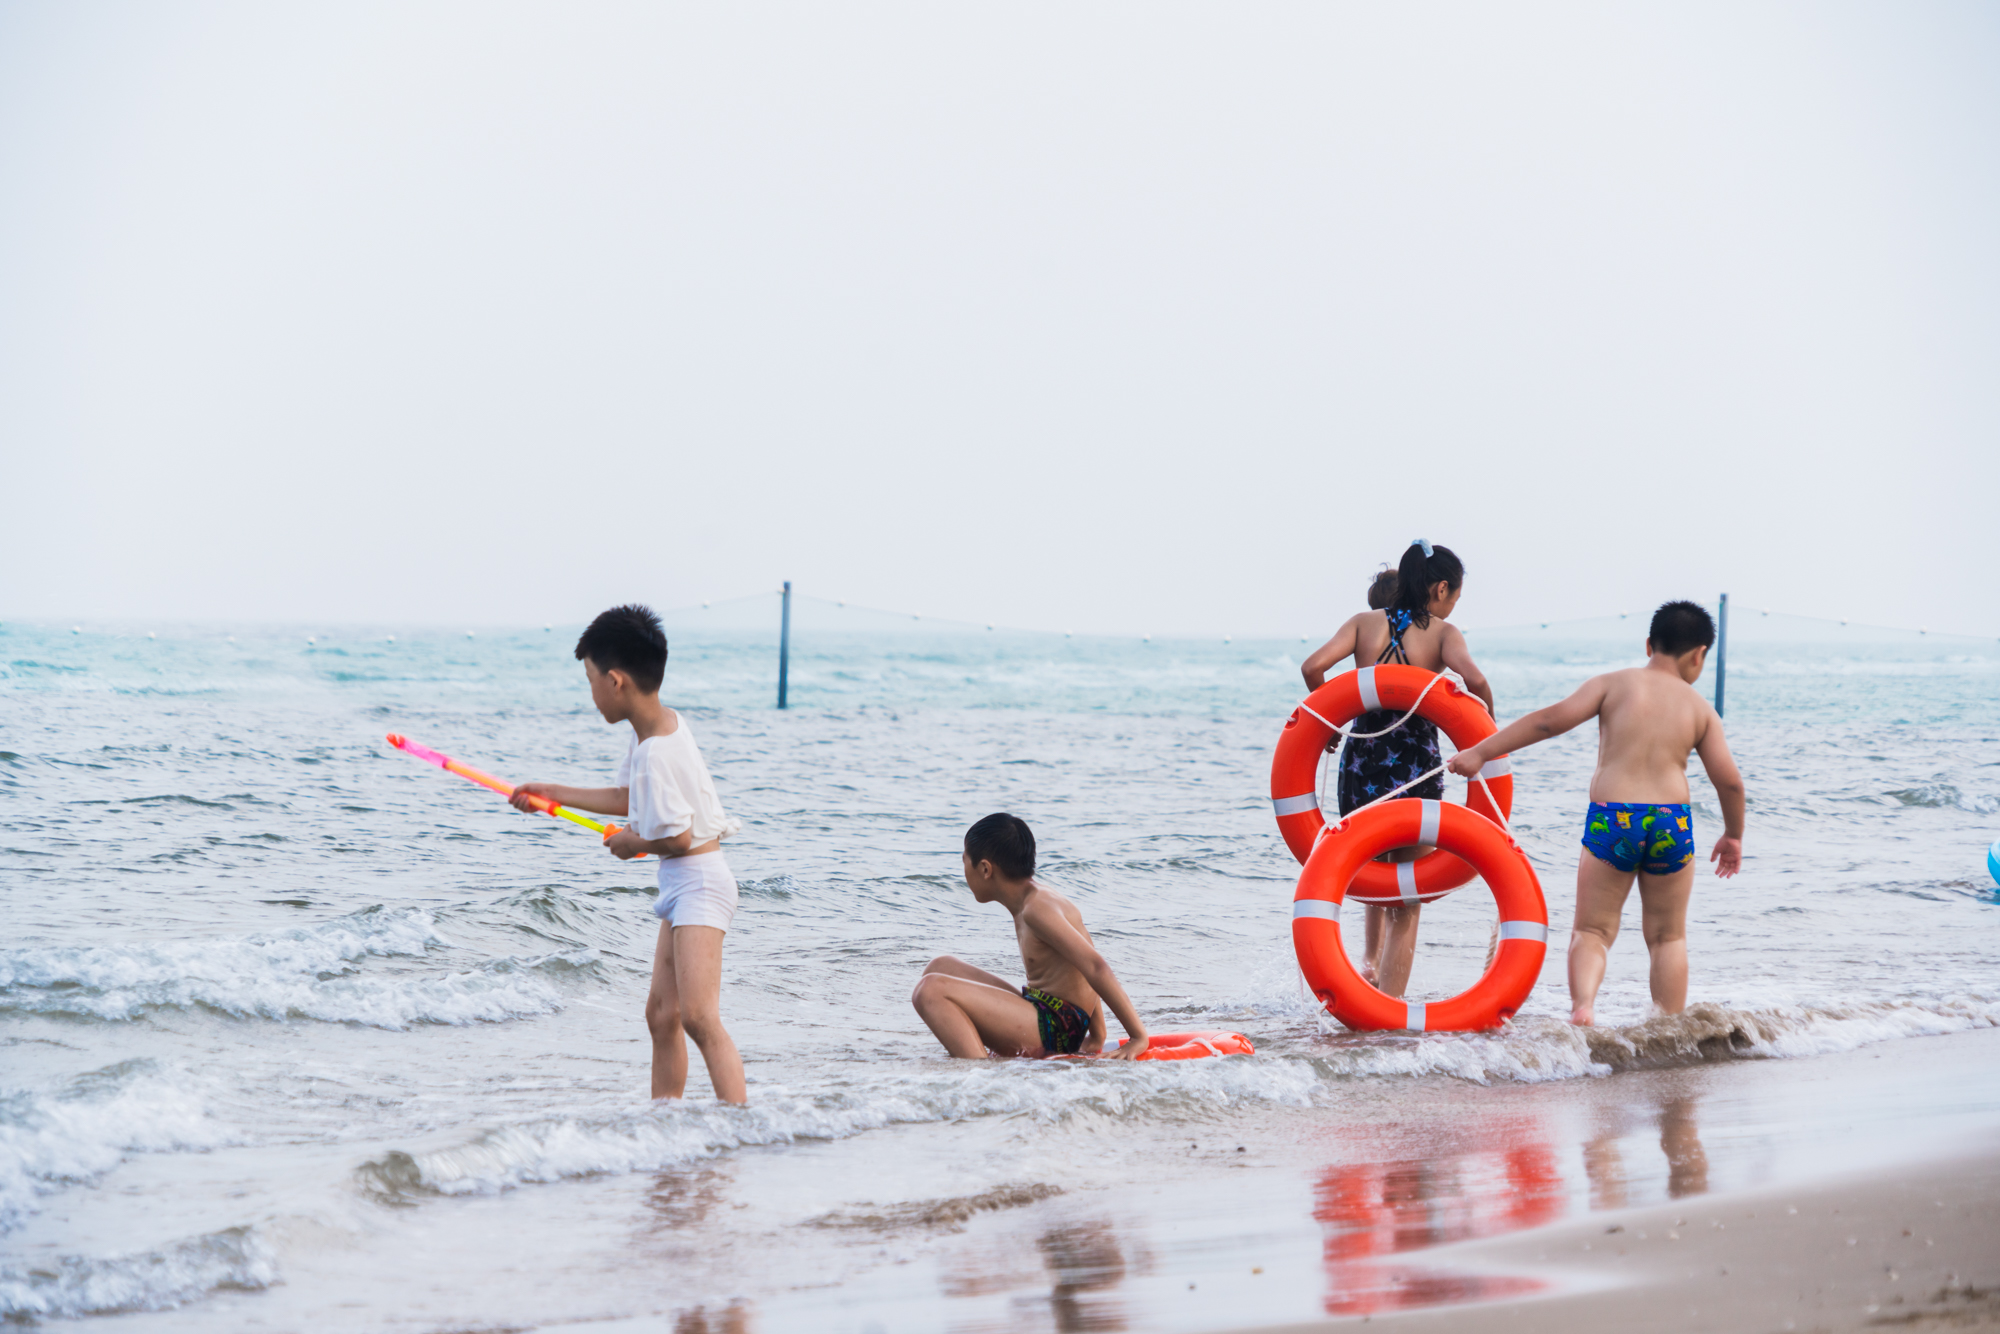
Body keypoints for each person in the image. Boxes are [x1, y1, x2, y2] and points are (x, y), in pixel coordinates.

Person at [1448, 600, 1745, 1026]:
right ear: (1699, 655)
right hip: (1670, 822)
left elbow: (1548, 722)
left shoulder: (1612, 685)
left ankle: (1584, 1008)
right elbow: (1730, 782)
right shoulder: (1701, 709)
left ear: (1649, 644)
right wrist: (1733, 835)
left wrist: (1480, 752)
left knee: (1593, 931)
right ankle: (1669, 1029)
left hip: (1615, 818)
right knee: (1668, 937)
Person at [510, 604, 748, 1103]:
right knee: (662, 1016)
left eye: (590, 680)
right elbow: (626, 798)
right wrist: (552, 793)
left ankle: (741, 1122)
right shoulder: (657, 730)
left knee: (700, 1019)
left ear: (615, 681)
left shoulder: (656, 752)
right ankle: (665, 1119)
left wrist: (631, 843)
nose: (592, 693)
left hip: (700, 881)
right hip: (685, 883)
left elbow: (678, 838)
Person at [1300, 541, 1495, 998]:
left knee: (1373, 872)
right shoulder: (1444, 634)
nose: (1453, 605)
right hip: (1414, 768)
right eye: (1455, 596)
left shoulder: (1363, 623)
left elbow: (1313, 667)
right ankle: (1389, 1008)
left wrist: (1329, 724)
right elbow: (1476, 680)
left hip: (1362, 766)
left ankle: (1366, 974)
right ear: (1441, 588)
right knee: (1407, 899)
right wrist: (1490, 733)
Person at [911, 813, 1152, 1060]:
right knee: (939, 967)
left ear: (985, 869)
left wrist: (1137, 1037)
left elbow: (1095, 966)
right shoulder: (1037, 899)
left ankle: (979, 1072)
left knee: (929, 991)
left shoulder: (1036, 910)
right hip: (1047, 1013)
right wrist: (1097, 1035)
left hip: (1055, 1029)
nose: (962, 872)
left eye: (964, 861)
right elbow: (1077, 962)